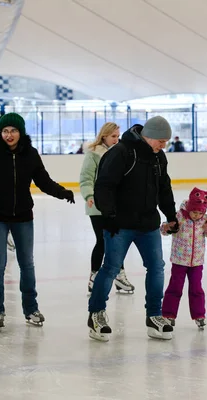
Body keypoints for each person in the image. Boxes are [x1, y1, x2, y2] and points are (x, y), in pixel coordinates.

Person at [0, 112, 75, 328]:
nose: (9, 135)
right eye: (5, 131)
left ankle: (31, 308)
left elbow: (43, 181)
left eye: (13, 130)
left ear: (21, 132)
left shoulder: (30, 154)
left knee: (27, 264)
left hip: (22, 216)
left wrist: (62, 192)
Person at [87, 116, 177, 342]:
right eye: (161, 141)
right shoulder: (121, 152)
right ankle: (96, 314)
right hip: (121, 224)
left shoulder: (158, 157)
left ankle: (154, 316)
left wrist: (171, 215)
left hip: (148, 223)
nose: (163, 145)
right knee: (110, 268)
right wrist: (109, 217)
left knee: (157, 267)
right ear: (149, 137)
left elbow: (164, 187)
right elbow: (104, 186)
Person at [79, 122, 134, 294]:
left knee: (117, 241)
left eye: (118, 136)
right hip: (96, 205)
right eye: (113, 137)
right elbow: (86, 178)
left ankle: (119, 274)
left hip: (115, 205)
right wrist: (89, 196)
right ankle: (94, 277)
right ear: (104, 136)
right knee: (102, 241)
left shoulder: (120, 153)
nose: (116, 140)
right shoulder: (94, 153)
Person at [161, 188, 207, 330]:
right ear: (189, 208)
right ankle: (169, 314)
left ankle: (199, 315)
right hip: (179, 260)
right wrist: (169, 227)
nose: (197, 215)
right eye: (195, 212)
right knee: (175, 287)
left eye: (200, 213)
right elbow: (163, 230)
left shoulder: (204, 220)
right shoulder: (179, 216)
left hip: (197, 262)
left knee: (196, 288)